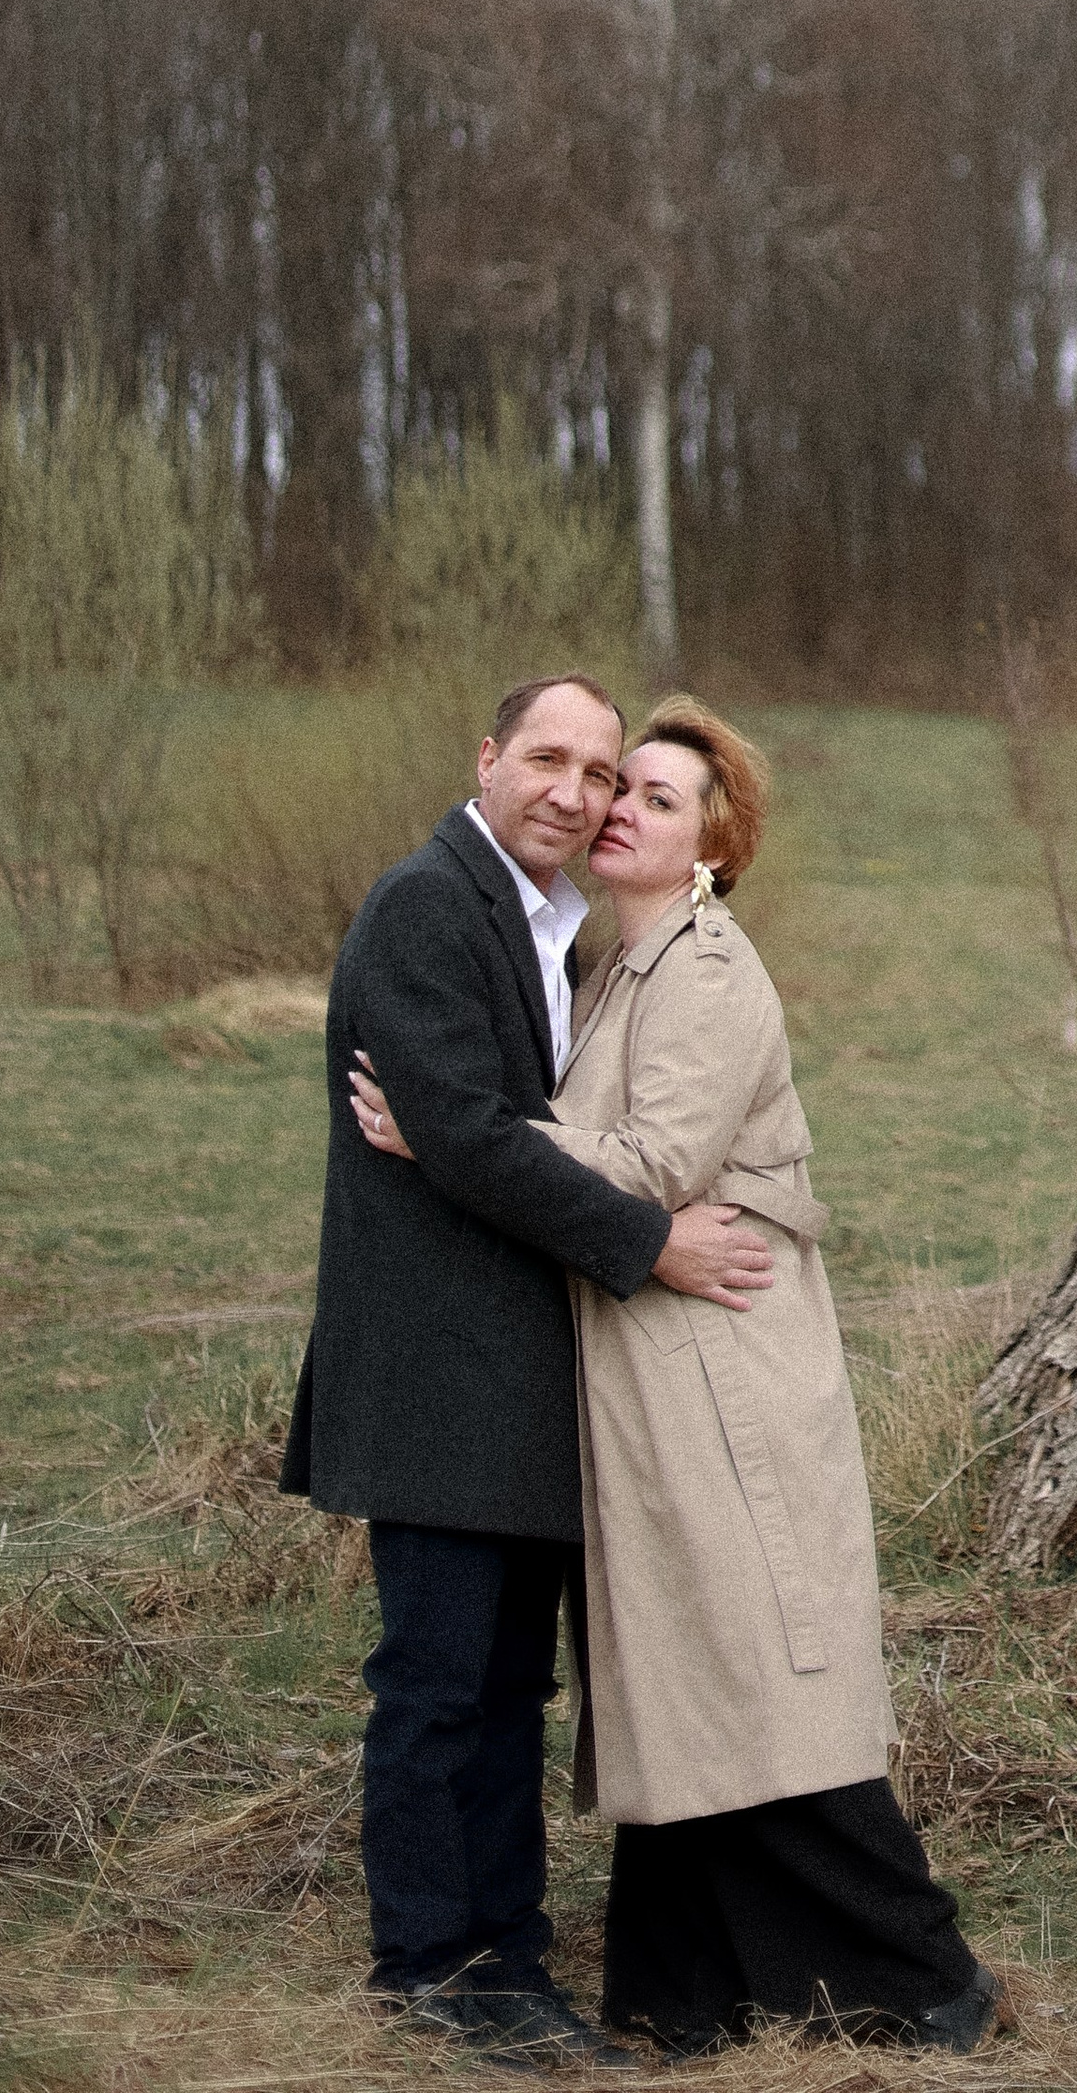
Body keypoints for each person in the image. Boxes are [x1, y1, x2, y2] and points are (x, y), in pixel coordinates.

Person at [353, 694, 1002, 2060]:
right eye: (605, 782)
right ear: (494, 763)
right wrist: (481, 1143)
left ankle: (914, 1968)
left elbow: (649, 1166)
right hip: (645, 1362)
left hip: (718, 1366)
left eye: (651, 793)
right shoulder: (600, 963)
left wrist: (455, 1136)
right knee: (677, 1675)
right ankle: (678, 1988)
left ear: (717, 842)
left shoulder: (704, 968)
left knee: (749, 1660)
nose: (611, 806)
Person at [284, 671, 779, 2065]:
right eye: (547, 760)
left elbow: (496, 1132)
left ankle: (504, 1952)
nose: (574, 792)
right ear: (487, 757)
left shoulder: (559, 931)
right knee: (440, 1680)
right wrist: (651, 1245)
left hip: (524, 1372)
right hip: (439, 1365)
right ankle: (435, 1965)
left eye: (601, 773)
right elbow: (474, 1134)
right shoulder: (428, 906)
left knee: (510, 1686)